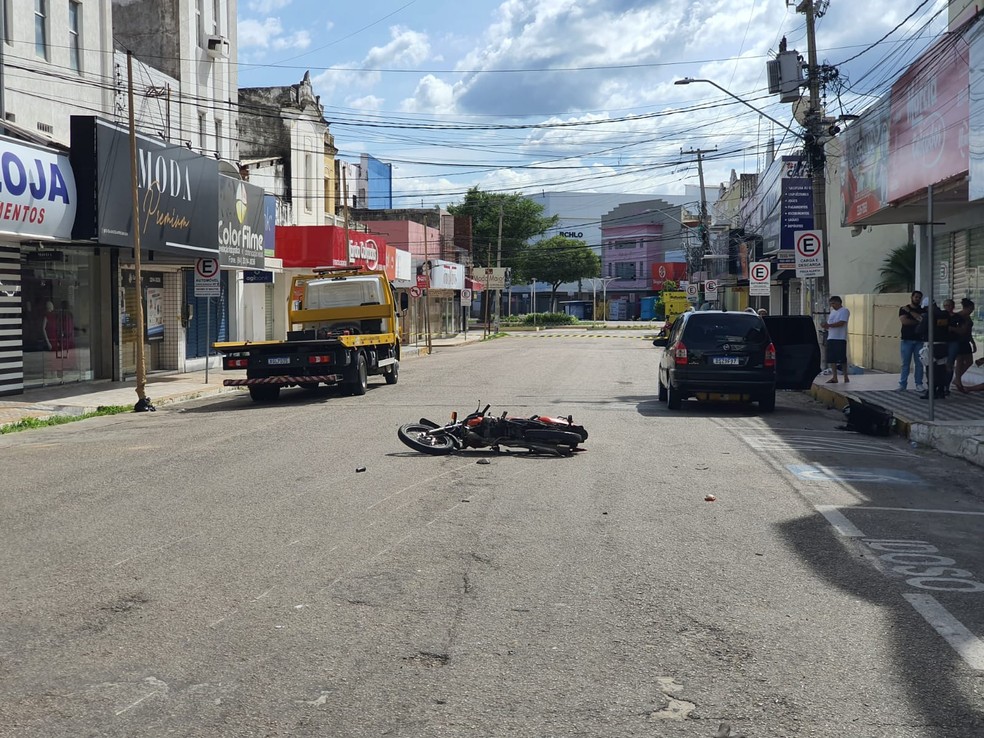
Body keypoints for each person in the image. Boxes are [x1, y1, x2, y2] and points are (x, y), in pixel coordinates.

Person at [897, 290, 925, 392]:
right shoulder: (903, 309)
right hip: (906, 340)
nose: (917, 299)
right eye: (916, 297)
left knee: (919, 363)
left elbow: (922, 320)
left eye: (919, 297)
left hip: (919, 340)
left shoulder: (922, 310)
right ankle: (902, 384)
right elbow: (904, 321)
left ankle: (919, 383)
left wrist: (910, 312)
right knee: (905, 363)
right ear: (912, 297)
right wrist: (917, 322)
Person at [821, 295, 850, 383]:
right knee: (832, 358)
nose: (832, 305)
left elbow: (841, 323)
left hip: (840, 338)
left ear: (838, 302)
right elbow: (830, 325)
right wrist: (825, 326)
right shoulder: (832, 312)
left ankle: (845, 376)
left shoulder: (844, 311)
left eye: (833, 303)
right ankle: (834, 377)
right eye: (831, 304)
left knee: (842, 358)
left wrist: (829, 325)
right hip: (831, 337)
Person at [952, 298, 977, 392]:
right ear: (966, 308)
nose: (972, 311)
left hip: (966, 340)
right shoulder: (959, 316)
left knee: (969, 361)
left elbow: (969, 331)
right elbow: (958, 330)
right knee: (960, 361)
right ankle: (958, 381)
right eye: (971, 309)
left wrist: (973, 342)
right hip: (959, 341)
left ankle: (957, 378)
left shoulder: (968, 316)